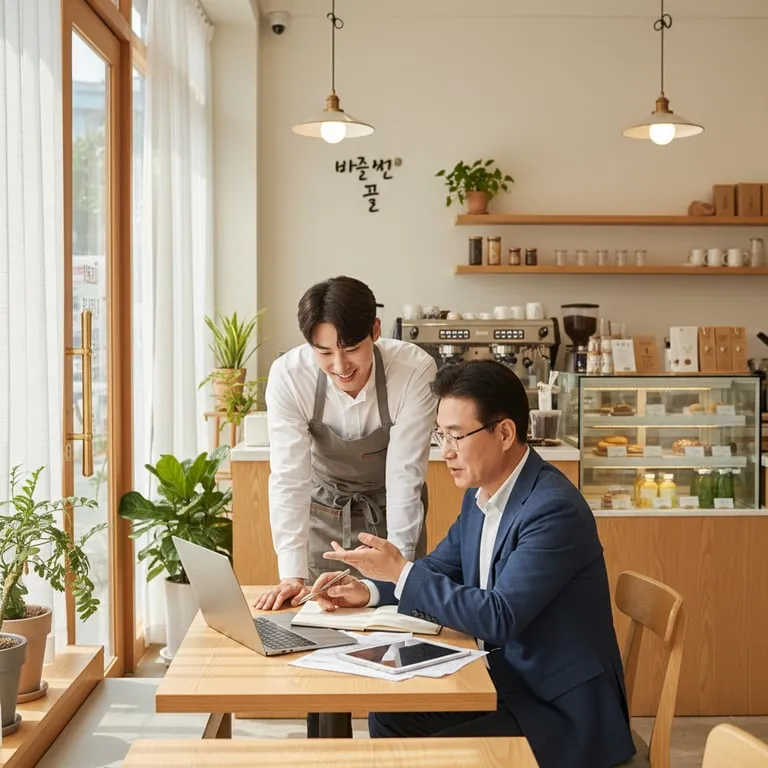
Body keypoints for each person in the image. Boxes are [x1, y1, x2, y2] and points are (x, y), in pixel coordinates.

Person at [315, 360, 636, 768]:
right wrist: (372, 589)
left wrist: (399, 572)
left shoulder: (553, 509)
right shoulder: (482, 495)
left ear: (504, 433)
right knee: (390, 715)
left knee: (432, 753)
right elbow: (440, 568)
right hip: (505, 680)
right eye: (440, 435)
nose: (445, 451)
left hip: (555, 710)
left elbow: (499, 616)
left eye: (456, 436)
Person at [253, 276, 437, 612]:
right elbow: (289, 477)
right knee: (319, 617)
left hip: (390, 512)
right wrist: (291, 573)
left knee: (397, 623)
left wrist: (396, 571)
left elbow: (405, 476)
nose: (340, 366)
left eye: (352, 348)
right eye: (324, 352)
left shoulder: (413, 370)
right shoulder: (289, 376)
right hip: (322, 514)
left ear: (376, 330)